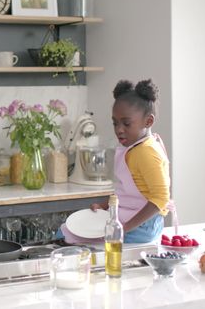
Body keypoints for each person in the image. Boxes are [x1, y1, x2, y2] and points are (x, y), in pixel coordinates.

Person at [60, 79, 170, 243]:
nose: (119, 129)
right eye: (115, 123)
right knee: (67, 232)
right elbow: (128, 193)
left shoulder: (146, 152)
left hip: (142, 227)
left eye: (126, 123)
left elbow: (160, 199)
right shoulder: (136, 147)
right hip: (130, 218)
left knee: (70, 236)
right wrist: (105, 205)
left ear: (148, 121)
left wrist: (124, 228)